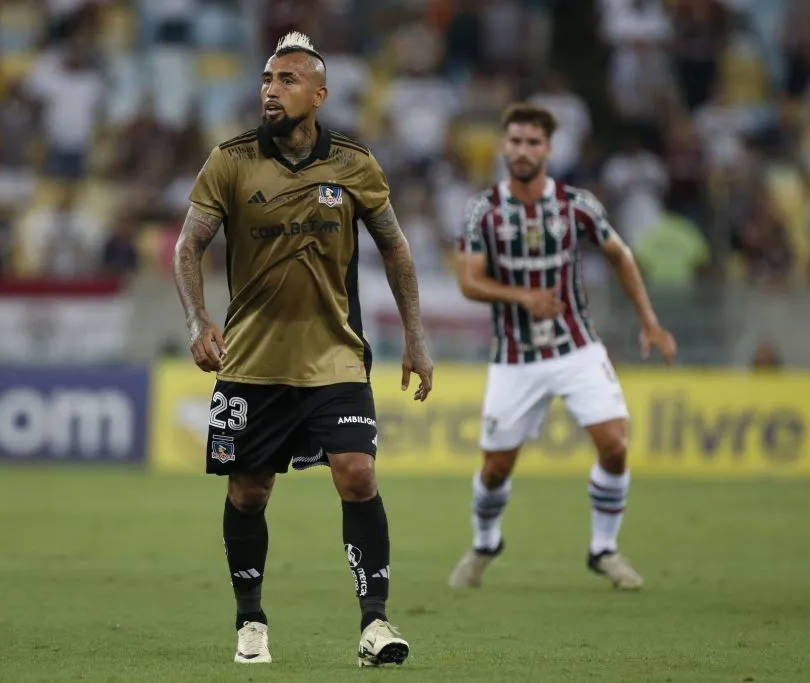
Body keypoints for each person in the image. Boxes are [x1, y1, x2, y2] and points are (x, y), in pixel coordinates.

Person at [171, 32, 434, 668]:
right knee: (249, 493)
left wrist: (416, 338)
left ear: (318, 94)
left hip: (335, 354)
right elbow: (187, 248)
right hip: (252, 362)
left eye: (287, 80)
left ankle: (375, 624)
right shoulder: (229, 161)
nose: (271, 90)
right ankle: (251, 621)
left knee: (358, 471)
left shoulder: (354, 163)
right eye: (267, 79)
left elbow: (395, 247)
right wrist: (198, 318)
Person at [447, 103, 677, 592]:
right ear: (504, 146)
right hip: (514, 357)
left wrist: (649, 321)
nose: (523, 150)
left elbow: (620, 254)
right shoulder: (481, 209)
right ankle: (486, 543)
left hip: (577, 348)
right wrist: (522, 296)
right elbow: (468, 281)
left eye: (533, 142)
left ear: (548, 149)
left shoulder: (578, 204)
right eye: (515, 141)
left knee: (615, 445)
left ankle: (604, 549)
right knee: (495, 467)